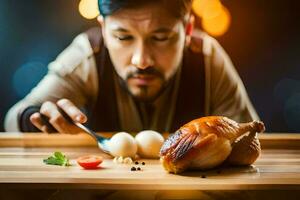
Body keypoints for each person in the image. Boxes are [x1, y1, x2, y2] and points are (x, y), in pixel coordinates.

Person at [4, 0, 259, 134]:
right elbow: (13, 120)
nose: (141, 60)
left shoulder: (206, 57)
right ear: (104, 29)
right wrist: (34, 119)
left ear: (188, 30)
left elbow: (249, 137)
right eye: (123, 37)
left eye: (160, 38)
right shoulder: (88, 54)